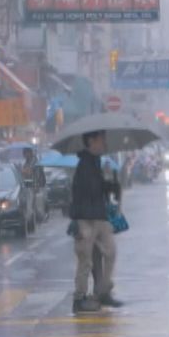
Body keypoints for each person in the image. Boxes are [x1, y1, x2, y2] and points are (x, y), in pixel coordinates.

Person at [69, 130, 123, 313]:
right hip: (86, 219)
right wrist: (76, 222)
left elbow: (98, 187)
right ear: (91, 141)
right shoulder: (84, 165)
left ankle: (103, 291)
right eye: (101, 140)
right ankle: (79, 299)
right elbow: (82, 192)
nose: (104, 144)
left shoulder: (95, 162)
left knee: (111, 252)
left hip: (99, 217)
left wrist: (111, 186)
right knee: (85, 260)